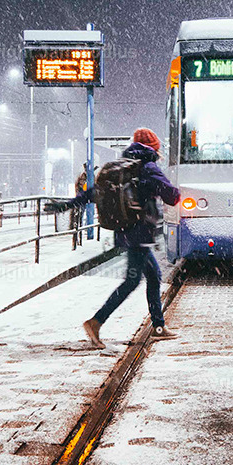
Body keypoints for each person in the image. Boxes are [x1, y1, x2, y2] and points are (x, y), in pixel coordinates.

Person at [47, 128, 180, 348]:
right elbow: (172, 196)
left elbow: (93, 193)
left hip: (125, 231)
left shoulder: (121, 168)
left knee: (154, 276)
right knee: (132, 281)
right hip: (139, 234)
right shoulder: (147, 168)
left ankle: (158, 326)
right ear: (153, 148)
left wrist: (67, 205)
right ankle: (96, 322)